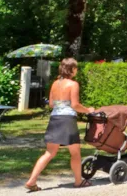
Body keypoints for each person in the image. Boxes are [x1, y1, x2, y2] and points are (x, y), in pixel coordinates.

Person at [25, 58, 95, 191]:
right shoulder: (73, 84)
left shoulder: (55, 84)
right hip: (67, 119)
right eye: (76, 68)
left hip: (55, 118)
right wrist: (88, 110)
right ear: (72, 69)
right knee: (75, 153)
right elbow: (75, 105)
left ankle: (32, 181)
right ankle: (78, 181)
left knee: (49, 152)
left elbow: (51, 104)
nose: (76, 70)